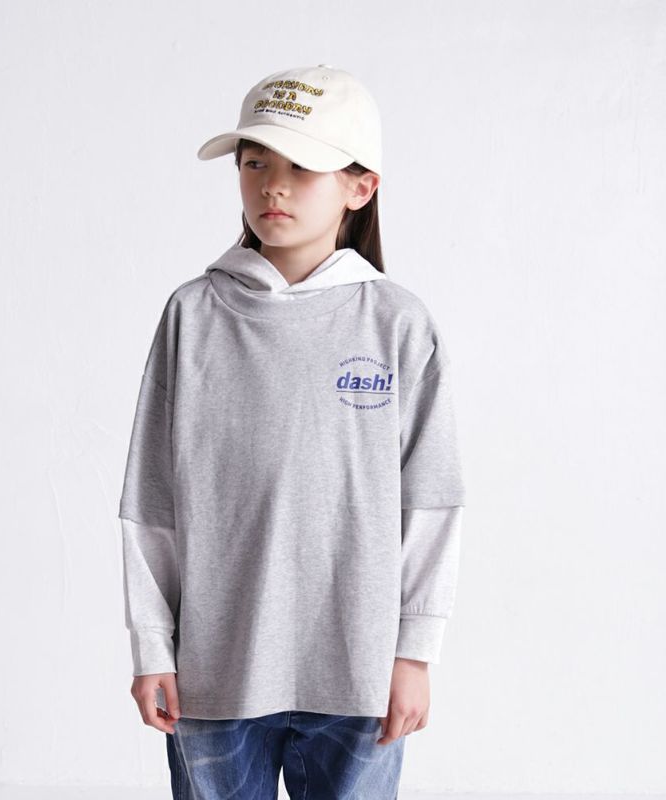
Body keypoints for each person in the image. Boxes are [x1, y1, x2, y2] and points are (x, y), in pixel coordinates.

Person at [118, 64, 466, 799]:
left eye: (302, 168)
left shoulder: (397, 323)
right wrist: (152, 645)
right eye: (254, 163)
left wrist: (414, 653)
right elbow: (151, 504)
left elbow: (432, 503)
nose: (272, 186)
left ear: (359, 187)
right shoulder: (193, 316)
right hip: (214, 672)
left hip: (358, 675)